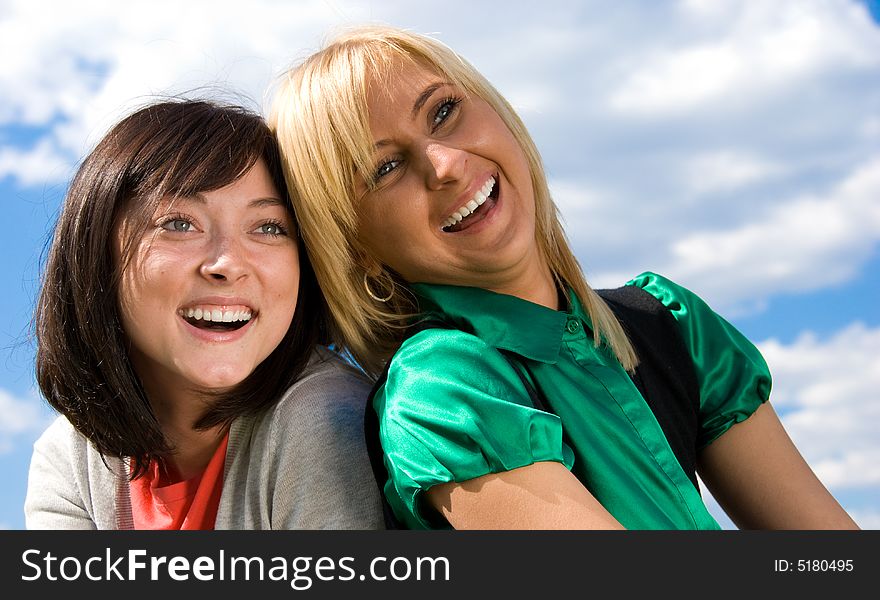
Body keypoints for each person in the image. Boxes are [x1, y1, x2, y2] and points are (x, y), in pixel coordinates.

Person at [268, 25, 859, 530]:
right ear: (357, 248)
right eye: (386, 168)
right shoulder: (443, 391)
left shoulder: (674, 325)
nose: (444, 165)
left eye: (445, 111)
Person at [25, 99, 384, 530]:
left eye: (269, 227)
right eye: (179, 223)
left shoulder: (326, 417)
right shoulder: (68, 457)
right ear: (95, 254)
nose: (228, 263)